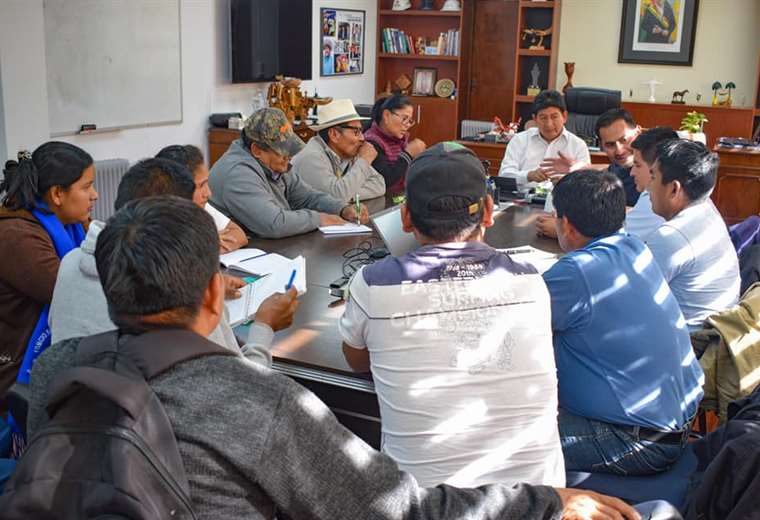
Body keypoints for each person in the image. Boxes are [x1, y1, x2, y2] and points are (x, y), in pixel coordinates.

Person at [28, 196, 638, 520]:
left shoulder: (58, 371)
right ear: (217, 291)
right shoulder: (259, 399)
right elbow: (400, 511)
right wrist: (544, 501)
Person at [339, 142, 565, 489]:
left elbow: (357, 361)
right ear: (488, 212)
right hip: (539, 501)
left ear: (405, 217)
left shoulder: (371, 284)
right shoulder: (530, 280)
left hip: (426, 505)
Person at [48, 157, 297, 365]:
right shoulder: (180, 286)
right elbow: (241, 388)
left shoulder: (71, 262)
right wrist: (264, 326)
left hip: (79, 409)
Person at [543, 170, 704, 475]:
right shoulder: (635, 247)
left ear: (564, 223)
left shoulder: (577, 273)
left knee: (505, 432)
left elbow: (511, 319)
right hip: (677, 424)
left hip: (635, 442)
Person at [0, 142, 97, 402]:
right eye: (86, 187)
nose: (95, 195)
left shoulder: (68, 225)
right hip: (15, 369)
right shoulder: (18, 237)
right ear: (57, 194)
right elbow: (77, 293)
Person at [208, 107, 368, 239]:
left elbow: (306, 196)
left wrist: (341, 208)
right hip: (241, 260)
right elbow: (273, 223)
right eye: (282, 151)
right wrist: (319, 219)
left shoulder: (274, 164)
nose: (289, 155)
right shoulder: (238, 174)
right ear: (256, 150)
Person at [646, 139, 741, 329]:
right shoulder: (707, 210)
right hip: (715, 335)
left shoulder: (671, 236)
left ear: (674, 188)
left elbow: (632, 300)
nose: (649, 186)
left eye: (653, 177)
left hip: (689, 345)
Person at [535, 108, 641, 238]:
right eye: (610, 145)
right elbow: (609, 169)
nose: (619, 150)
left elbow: (641, 215)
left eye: (624, 140)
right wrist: (580, 167)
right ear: (601, 146)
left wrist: (566, 230)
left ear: (638, 132)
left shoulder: (654, 170)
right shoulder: (621, 166)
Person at [156, 144, 248, 252]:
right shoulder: (151, 219)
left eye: (206, 183)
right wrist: (205, 244)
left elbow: (238, 234)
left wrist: (208, 247)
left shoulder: (197, 204)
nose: (208, 193)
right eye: (200, 186)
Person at [290, 99, 385, 203]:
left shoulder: (347, 152)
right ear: (334, 134)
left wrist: (347, 194)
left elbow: (379, 184)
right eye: (356, 132)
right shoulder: (311, 158)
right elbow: (337, 197)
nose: (362, 138)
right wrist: (364, 161)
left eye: (361, 131)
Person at [497, 89, 590, 192]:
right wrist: (529, 176)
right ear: (535, 119)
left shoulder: (578, 145)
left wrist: (564, 181)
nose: (549, 124)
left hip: (561, 202)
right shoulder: (519, 140)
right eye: (543, 118)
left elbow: (586, 183)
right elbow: (504, 175)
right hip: (522, 201)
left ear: (564, 116)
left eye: (554, 117)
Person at [364, 94, 427, 195]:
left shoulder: (399, 139)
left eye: (410, 121)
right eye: (404, 118)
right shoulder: (371, 142)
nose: (407, 125)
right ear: (386, 115)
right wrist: (408, 154)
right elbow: (385, 181)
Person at [624, 127, 678, 240]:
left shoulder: (657, 199)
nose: (632, 173)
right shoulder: (692, 192)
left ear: (657, 166)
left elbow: (615, 237)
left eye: (637, 165)